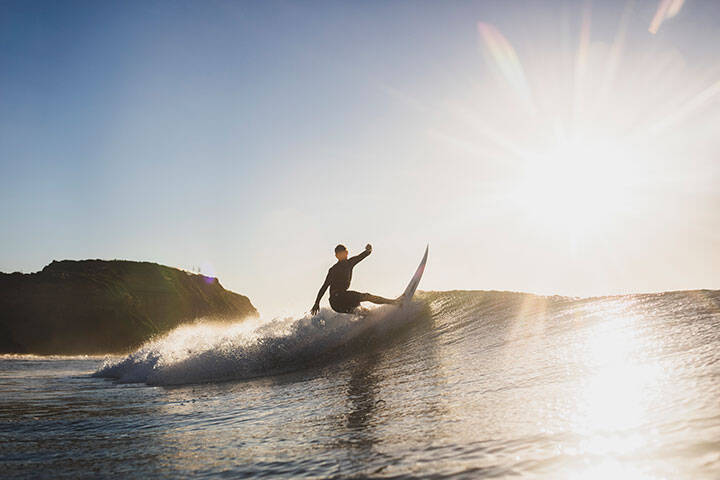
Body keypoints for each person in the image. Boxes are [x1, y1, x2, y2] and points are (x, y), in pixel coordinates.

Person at [311, 244, 398, 315]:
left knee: (364, 312)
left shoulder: (350, 262)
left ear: (347, 253)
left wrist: (368, 250)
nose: (342, 255)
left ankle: (372, 322)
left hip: (341, 301)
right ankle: (395, 302)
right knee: (366, 296)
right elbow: (324, 286)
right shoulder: (334, 270)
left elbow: (362, 256)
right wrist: (317, 302)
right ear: (337, 256)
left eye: (344, 253)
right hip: (337, 299)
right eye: (340, 254)